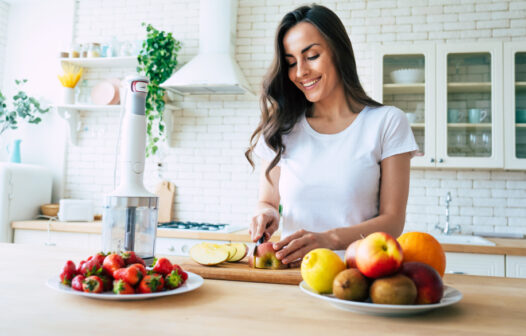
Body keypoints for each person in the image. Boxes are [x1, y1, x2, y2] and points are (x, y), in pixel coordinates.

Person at [245, 4, 418, 268]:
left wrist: (329, 239)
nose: (300, 71)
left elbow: (392, 221)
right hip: (291, 278)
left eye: (311, 56)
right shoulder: (282, 128)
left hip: (357, 278)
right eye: (291, 63)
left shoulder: (386, 122)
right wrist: (265, 214)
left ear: (338, 51)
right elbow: (267, 201)